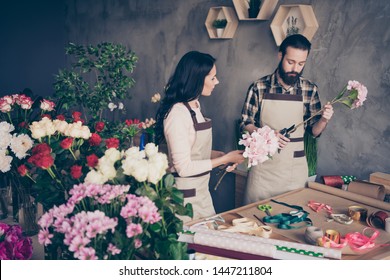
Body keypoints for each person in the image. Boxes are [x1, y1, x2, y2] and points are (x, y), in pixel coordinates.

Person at [240, 34, 334, 204]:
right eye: (290, 62)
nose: (295, 68)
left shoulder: (309, 90)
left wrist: (324, 121)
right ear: (280, 55)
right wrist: (266, 134)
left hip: (294, 171)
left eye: (301, 64)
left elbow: (313, 132)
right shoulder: (259, 87)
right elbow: (246, 122)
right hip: (263, 171)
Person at [155, 51, 245, 221]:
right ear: (197, 78)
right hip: (185, 201)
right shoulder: (177, 114)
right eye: (212, 78)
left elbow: (194, 150)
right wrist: (223, 160)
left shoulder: (195, 106)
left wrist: (222, 156)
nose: (217, 82)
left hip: (202, 193)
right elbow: (183, 167)